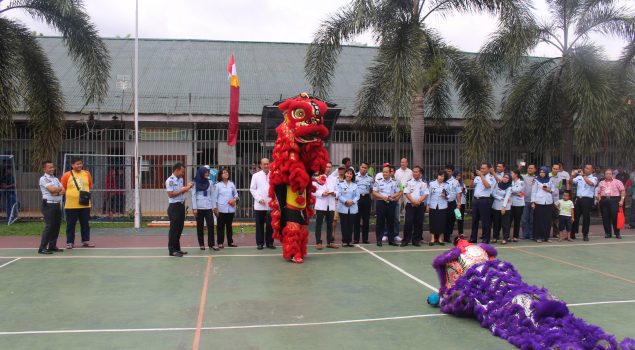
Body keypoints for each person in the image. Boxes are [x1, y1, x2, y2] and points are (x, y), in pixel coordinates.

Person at [61, 157, 95, 249]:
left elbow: (90, 185)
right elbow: (63, 188)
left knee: (85, 223)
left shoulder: (87, 174)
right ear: (72, 165)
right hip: (71, 205)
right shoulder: (67, 175)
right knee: (71, 224)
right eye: (77, 164)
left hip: (85, 204)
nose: (79, 165)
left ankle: (85, 241)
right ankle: (70, 242)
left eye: (80, 163)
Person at [165, 162, 193, 257]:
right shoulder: (170, 180)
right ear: (176, 170)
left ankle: (177, 249)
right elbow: (171, 194)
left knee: (179, 228)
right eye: (182, 171)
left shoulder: (180, 179)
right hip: (174, 207)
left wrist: (186, 188)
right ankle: (172, 250)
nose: (183, 173)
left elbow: (180, 193)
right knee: (174, 229)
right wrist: (183, 190)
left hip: (181, 205)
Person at [38, 161, 65, 254]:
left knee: (56, 226)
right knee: (49, 226)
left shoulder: (56, 179)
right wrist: (57, 191)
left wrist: (55, 191)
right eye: (49, 167)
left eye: (52, 167)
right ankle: (42, 247)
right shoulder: (43, 179)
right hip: (48, 204)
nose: (52, 169)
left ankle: (52, 246)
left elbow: (63, 190)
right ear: (44, 169)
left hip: (57, 204)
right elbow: (52, 190)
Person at [250, 158, 275, 250]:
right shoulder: (256, 176)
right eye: (264, 164)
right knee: (259, 225)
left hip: (271, 205)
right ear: (260, 165)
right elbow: (252, 189)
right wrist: (259, 199)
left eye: (267, 164)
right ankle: (260, 243)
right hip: (259, 205)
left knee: (270, 225)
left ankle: (269, 243)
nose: (266, 166)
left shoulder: (273, 175)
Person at [372, 165, 401, 246]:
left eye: (386, 172)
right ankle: (379, 240)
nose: (384, 173)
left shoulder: (395, 181)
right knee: (380, 222)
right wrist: (383, 197)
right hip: (381, 203)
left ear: (390, 173)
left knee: (391, 222)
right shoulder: (378, 181)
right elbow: (374, 192)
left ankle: (391, 240)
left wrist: (392, 196)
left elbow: (398, 192)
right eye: (383, 172)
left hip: (391, 203)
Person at [192, 167, 219, 251]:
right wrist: (194, 208)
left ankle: (211, 244)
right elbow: (193, 196)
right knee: (200, 226)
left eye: (208, 172)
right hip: (199, 207)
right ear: (201, 173)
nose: (207, 174)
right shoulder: (194, 183)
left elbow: (213, 195)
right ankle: (201, 244)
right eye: (206, 172)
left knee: (210, 225)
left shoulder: (210, 182)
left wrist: (214, 207)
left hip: (208, 207)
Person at [569, 164, 598, 241]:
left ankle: (585, 234)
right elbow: (570, 182)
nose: (586, 169)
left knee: (586, 217)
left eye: (588, 168)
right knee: (575, 216)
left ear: (592, 170)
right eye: (585, 168)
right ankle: (573, 233)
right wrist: (572, 176)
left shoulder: (594, 178)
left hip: (587, 199)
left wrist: (583, 176)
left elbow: (591, 184)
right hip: (578, 199)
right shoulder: (579, 177)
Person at [402, 165, 428, 247]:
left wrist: (419, 201)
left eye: (417, 172)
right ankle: (405, 240)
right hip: (410, 205)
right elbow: (406, 193)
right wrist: (413, 201)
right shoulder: (408, 182)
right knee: (408, 223)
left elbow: (425, 194)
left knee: (418, 223)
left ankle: (416, 240)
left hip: (420, 206)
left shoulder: (423, 183)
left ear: (420, 173)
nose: (415, 173)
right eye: (414, 171)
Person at [469, 163, 496, 244]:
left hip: (485, 200)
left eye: (484, 168)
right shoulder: (477, 177)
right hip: (476, 200)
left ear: (488, 169)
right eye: (481, 168)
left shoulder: (490, 177)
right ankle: (473, 238)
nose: (481, 170)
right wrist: (472, 178)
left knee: (485, 221)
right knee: (474, 220)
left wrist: (481, 176)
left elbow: (487, 186)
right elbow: (471, 186)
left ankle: (485, 239)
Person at [313, 163, 337, 250]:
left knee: (330, 224)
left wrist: (334, 193)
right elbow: (313, 191)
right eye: (326, 166)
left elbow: (337, 190)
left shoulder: (334, 179)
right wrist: (322, 193)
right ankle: (318, 242)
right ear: (324, 167)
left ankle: (330, 242)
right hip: (321, 204)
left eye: (330, 167)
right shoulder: (317, 178)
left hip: (330, 204)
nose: (328, 168)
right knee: (319, 224)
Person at [596, 169, 626, 239]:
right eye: (606, 174)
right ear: (604, 175)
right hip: (604, 200)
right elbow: (598, 192)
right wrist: (599, 199)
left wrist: (622, 200)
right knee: (605, 217)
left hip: (614, 200)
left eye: (610, 173)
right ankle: (608, 233)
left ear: (612, 174)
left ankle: (617, 233)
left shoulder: (617, 182)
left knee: (615, 217)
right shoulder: (601, 183)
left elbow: (623, 191)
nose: (608, 175)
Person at [214, 167, 239, 248]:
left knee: (229, 226)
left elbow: (236, 194)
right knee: (220, 226)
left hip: (230, 209)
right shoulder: (218, 185)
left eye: (227, 172)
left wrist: (234, 199)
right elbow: (215, 198)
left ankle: (230, 242)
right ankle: (220, 242)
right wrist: (215, 208)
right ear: (221, 175)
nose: (226, 173)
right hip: (221, 209)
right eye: (224, 172)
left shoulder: (231, 184)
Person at [532, 166, 557, 243]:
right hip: (539, 202)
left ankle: (546, 237)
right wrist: (533, 202)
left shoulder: (550, 180)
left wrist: (548, 189)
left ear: (546, 172)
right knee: (539, 220)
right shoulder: (536, 181)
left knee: (547, 220)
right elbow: (534, 192)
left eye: (543, 172)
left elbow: (553, 190)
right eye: (541, 172)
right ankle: (538, 236)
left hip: (548, 202)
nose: (542, 173)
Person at [336, 168, 359, 247]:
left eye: (350, 174)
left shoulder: (355, 185)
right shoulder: (340, 184)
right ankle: (344, 241)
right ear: (345, 174)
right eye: (347, 173)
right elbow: (338, 195)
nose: (349, 175)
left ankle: (349, 241)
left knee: (351, 225)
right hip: (343, 207)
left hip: (352, 207)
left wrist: (352, 201)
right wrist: (345, 201)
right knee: (344, 225)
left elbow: (357, 196)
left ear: (352, 176)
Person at [427, 170, 450, 246]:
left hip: (442, 206)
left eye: (442, 176)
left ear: (444, 178)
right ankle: (433, 238)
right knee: (433, 221)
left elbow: (449, 196)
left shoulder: (446, 185)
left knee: (442, 222)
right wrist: (428, 205)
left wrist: (445, 196)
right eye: (439, 175)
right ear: (437, 176)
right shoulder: (432, 184)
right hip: (433, 205)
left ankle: (440, 238)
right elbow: (429, 195)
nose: (440, 177)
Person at [354, 162, 373, 244]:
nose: (364, 169)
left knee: (366, 219)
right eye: (362, 167)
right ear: (359, 167)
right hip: (357, 199)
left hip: (366, 198)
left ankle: (365, 239)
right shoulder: (354, 176)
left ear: (367, 169)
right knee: (356, 219)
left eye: (365, 168)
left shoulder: (370, 178)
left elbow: (371, 189)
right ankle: (356, 239)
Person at [491, 173, 512, 244]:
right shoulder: (498, 184)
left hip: (505, 207)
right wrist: (501, 198)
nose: (505, 179)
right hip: (496, 206)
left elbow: (507, 197)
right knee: (496, 223)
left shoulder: (509, 187)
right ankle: (495, 237)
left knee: (505, 224)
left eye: (507, 178)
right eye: (504, 177)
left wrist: (504, 207)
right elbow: (493, 193)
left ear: (509, 180)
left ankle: (505, 238)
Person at [444, 164, 462, 243]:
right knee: (442, 220)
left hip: (451, 203)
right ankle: (440, 236)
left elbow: (458, 193)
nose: (447, 172)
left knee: (451, 220)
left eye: (449, 171)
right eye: (446, 171)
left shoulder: (455, 181)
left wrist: (459, 203)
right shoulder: (441, 179)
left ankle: (447, 236)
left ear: (452, 172)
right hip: (442, 203)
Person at [521, 164, 537, 240]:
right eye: (529, 168)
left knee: (532, 219)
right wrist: (520, 167)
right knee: (524, 219)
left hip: (534, 202)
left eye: (531, 168)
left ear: (535, 170)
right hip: (525, 201)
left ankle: (531, 235)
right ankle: (525, 234)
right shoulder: (523, 176)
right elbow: (515, 174)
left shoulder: (537, 178)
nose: (530, 169)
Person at [509, 169, 525, 242]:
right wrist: (515, 193)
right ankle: (507, 236)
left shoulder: (521, 182)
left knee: (517, 221)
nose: (510, 175)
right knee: (508, 220)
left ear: (516, 175)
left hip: (519, 204)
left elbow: (518, 191)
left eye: (511, 173)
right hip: (510, 203)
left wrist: (512, 192)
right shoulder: (510, 182)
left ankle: (515, 236)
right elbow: (508, 190)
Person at [455, 170, 467, 236]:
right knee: (454, 218)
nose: (458, 177)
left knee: (460, 218)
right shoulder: (454, 183)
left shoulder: (462, 183)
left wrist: (463, 190)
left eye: (459, 176)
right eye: (457, 176)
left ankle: (460, 233)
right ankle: (448, 232)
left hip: (462, 203)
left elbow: (466, 191)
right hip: (456, 204)